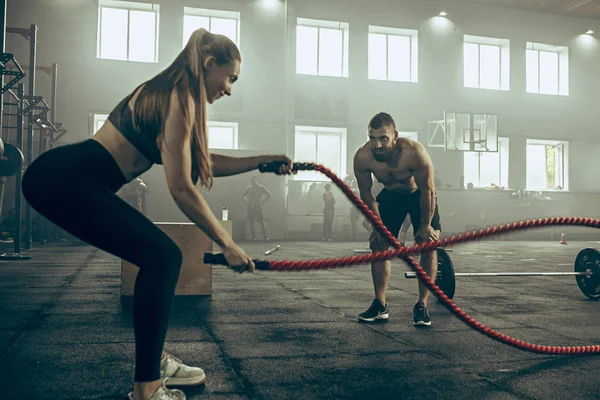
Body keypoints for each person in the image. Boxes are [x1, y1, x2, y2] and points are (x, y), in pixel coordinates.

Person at [21, 29, 293, 400]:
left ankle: (152, 362)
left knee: (159, 257)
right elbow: (181, 187)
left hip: (66, 178)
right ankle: (146, 387)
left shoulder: (173, 91)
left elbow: (200, 161)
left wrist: (260, 160)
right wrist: (227, 243)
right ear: (210, 65)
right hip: (65, 179)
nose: (229, 89)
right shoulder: (179, 97)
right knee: (163, 256)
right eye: (230, 78)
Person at [353, 112, 441, 327]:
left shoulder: (414, 152)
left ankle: (421, 305)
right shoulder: (363, 157)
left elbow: (427, 191)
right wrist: (376, 224)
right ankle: (380, 305)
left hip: (418, 196)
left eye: (383, 138)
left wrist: (425, 225)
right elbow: (366, 195)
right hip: (391, 195)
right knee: (378, 245)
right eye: (372, 138)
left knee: (427, 245)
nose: (377, 145)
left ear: (395, 136)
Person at [243, 176, 272, 242]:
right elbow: (244, 195)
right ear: (250, 181)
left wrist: (261, 203)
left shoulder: (260, 187)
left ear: (256, 180)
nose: (253, 182)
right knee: (252, 222)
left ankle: (265, 236)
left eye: (254, 180)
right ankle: (254, 237)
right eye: (251, 181)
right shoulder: (249, 188)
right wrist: (246, 202)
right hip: (250, 207)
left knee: (261, 221)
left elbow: (269, 195)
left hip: (258, 207)